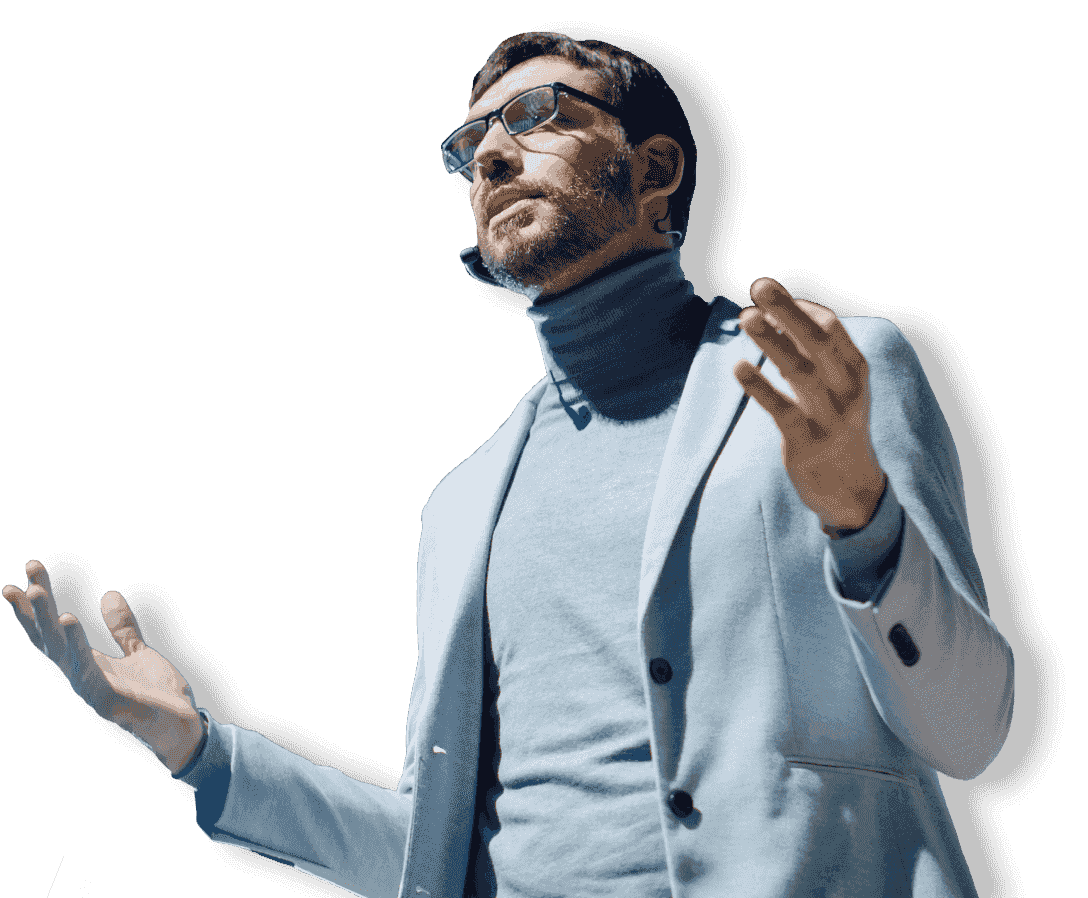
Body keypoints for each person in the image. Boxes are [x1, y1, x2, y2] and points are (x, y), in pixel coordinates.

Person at [5, 31, 1013, 898]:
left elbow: (969, 734)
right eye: (471, 143)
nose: (489, 154)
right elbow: (432, 852)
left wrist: (862, 520)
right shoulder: (462, 505)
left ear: (656, 168)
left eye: (536, 115)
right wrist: (201, 748)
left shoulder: (829, 381)